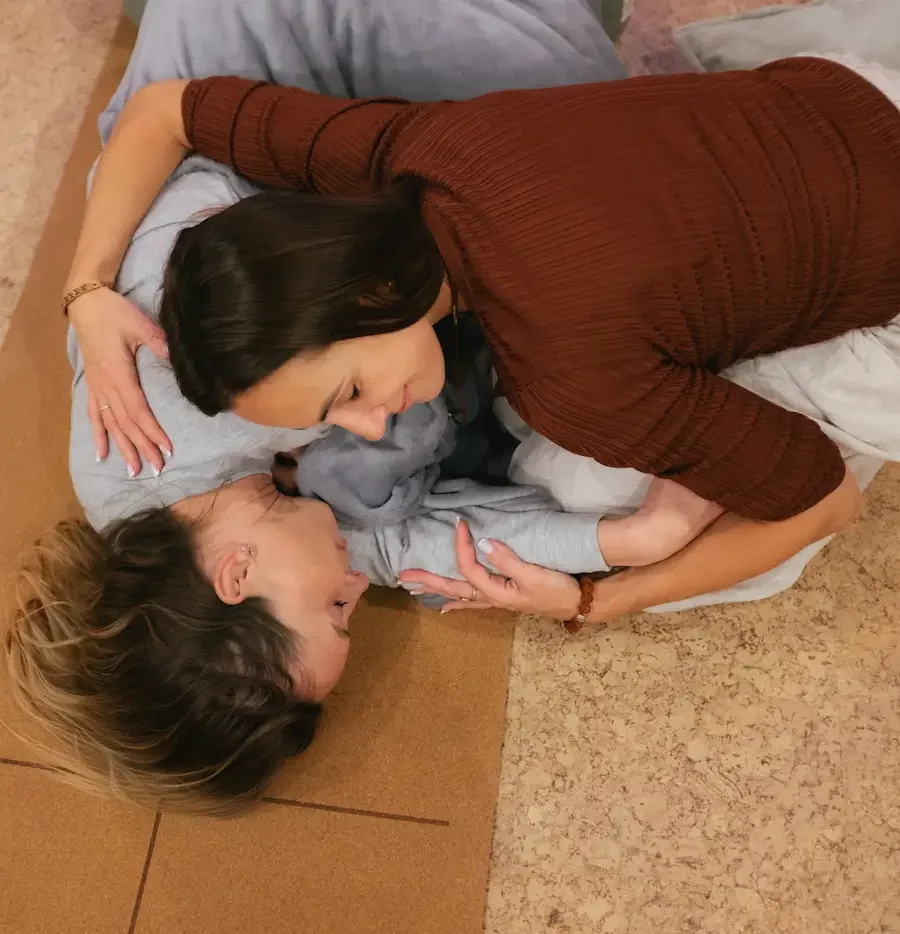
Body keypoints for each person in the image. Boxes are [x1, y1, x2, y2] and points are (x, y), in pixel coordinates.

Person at [65, 51, 900, 622]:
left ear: (373, 295)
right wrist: (88, 291)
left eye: (348, 394)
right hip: (841, 92)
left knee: (590, 484)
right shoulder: (407, 145)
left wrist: (599, 602)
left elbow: (824, 499)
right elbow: (164, 108)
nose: (366, 424)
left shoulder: (572, 384)